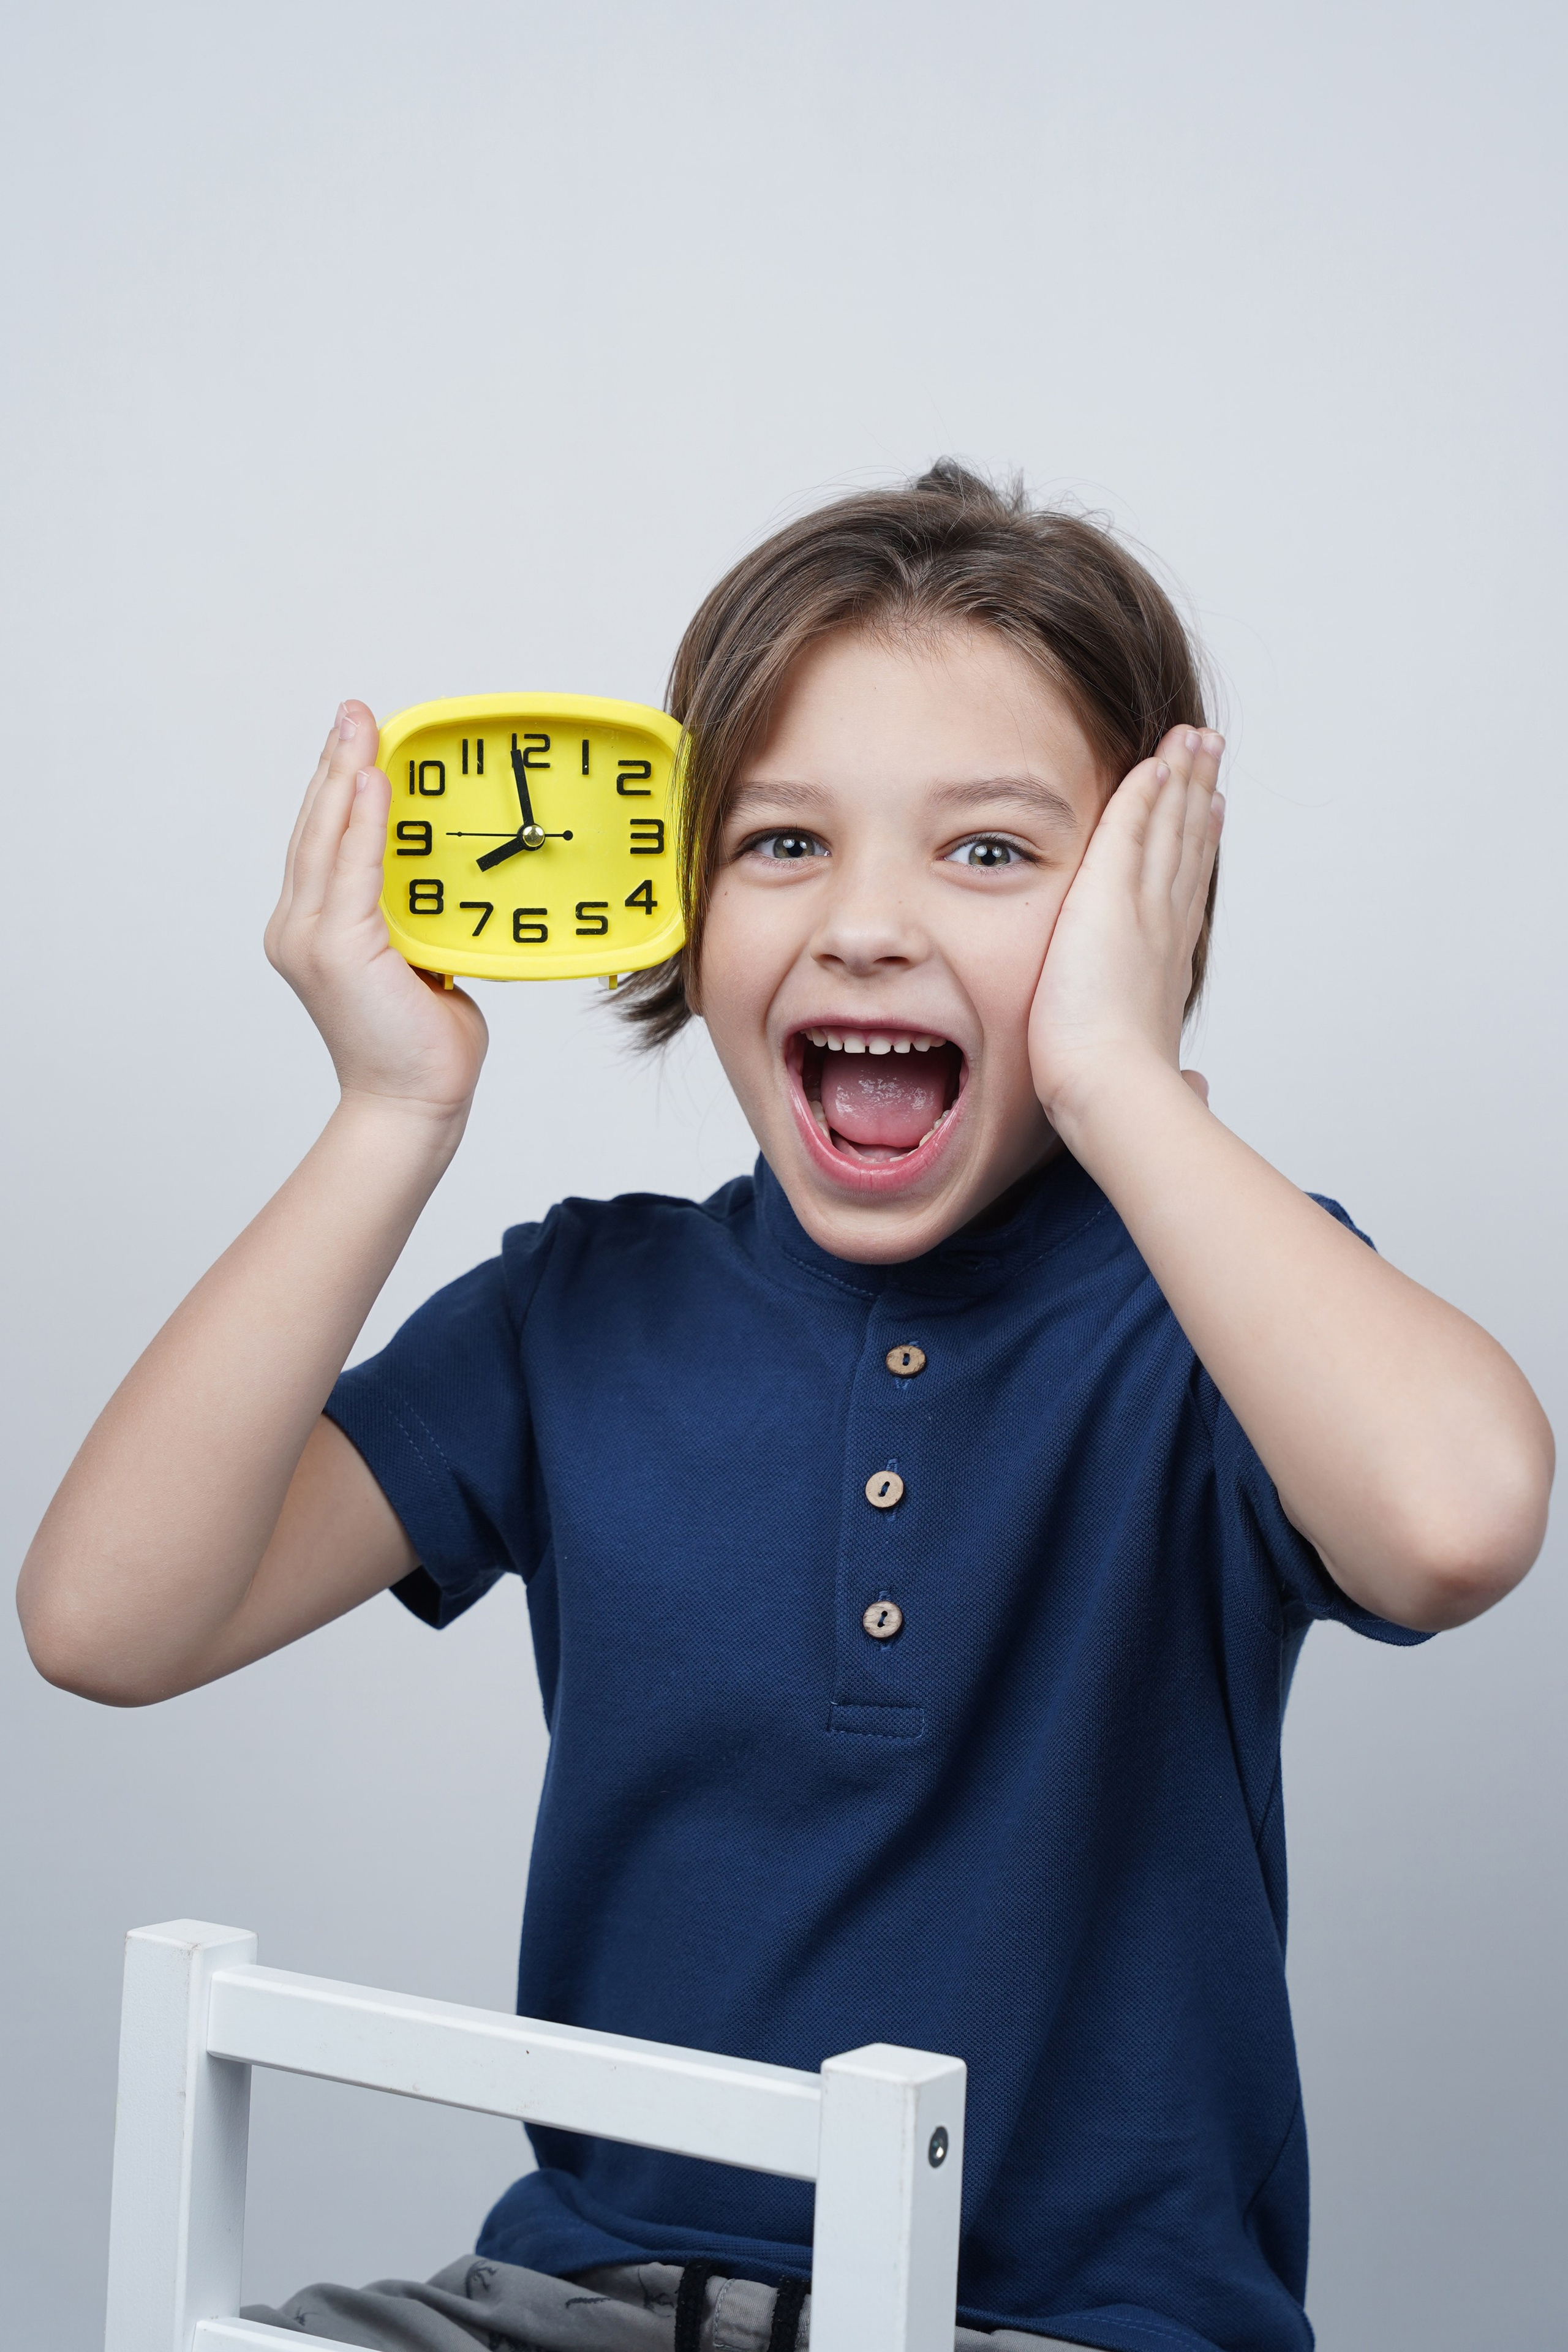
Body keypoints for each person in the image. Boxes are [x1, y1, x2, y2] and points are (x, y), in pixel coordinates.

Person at [18, 464, 1553, 2352]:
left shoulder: (1225, 1320)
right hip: (570, 2301)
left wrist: (1121, 1080)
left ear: (1146, 909)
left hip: (1064, 2329)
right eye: (781, 843)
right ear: (678, 898)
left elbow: (1458, 1521)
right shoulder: (578, 1311)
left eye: (988, 854)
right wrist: (391, 1112)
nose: (867, 926)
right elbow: (106, 1622)